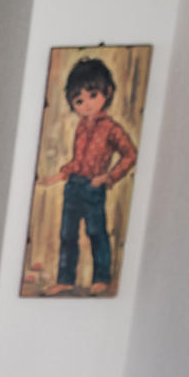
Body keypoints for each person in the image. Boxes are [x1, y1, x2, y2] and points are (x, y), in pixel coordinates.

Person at [42, 54, 137, 293]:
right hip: (73, 186)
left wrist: (109, 177)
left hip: (93, 188)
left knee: (96, 233)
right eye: (79, 100)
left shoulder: (111, 128)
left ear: (108, 91)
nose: (87, 104)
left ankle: (101, 278)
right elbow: (78, 160)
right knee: (67, 235)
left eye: (93, 95)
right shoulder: (81, 127)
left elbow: (130, 154)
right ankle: (65, 279)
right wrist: (59, 176)